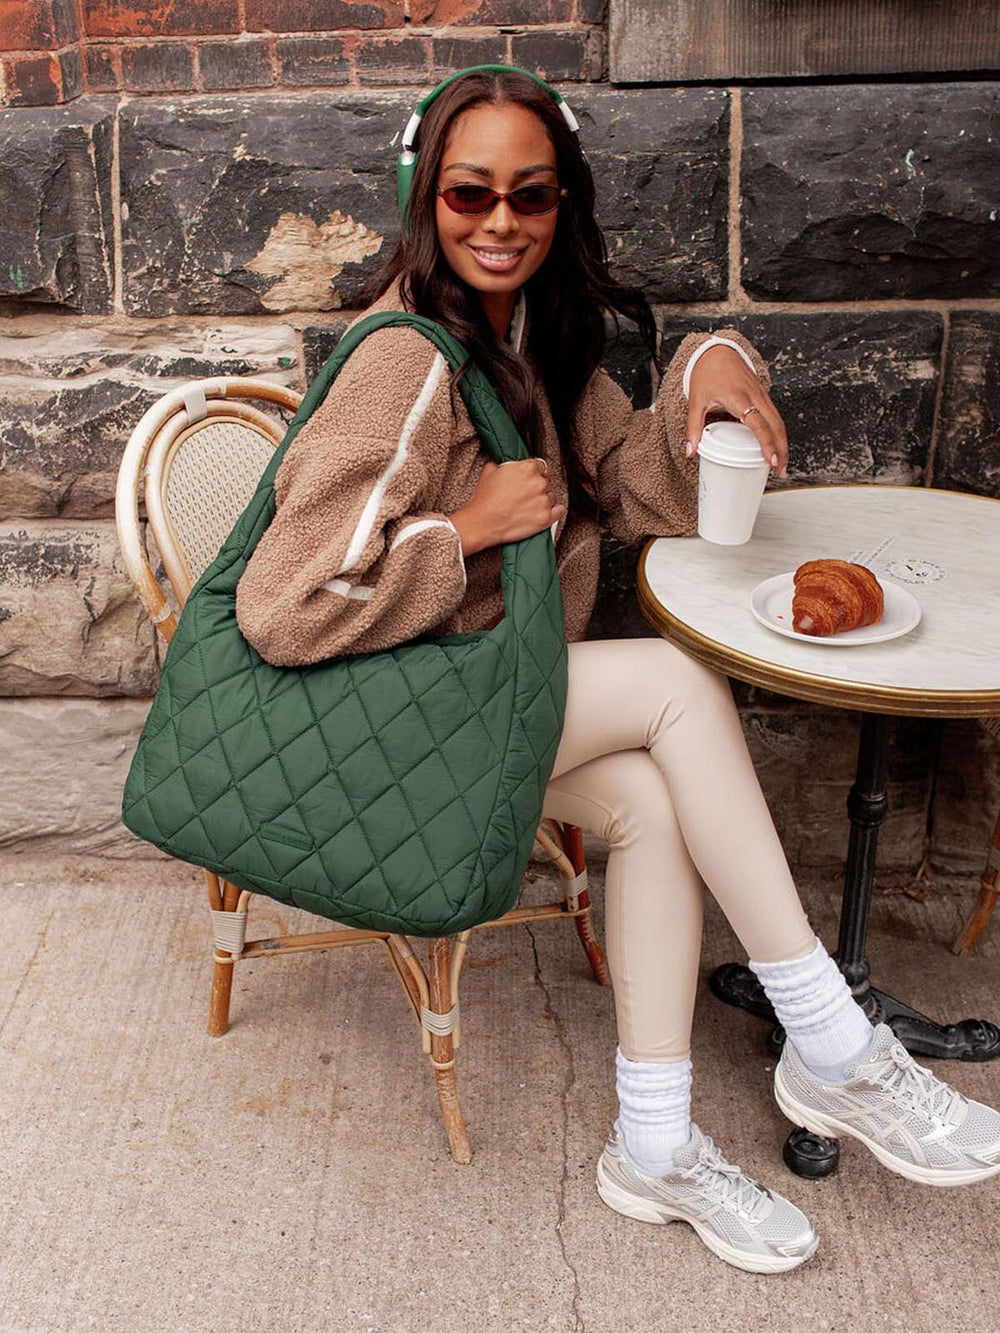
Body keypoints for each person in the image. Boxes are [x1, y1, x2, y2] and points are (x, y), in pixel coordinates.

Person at [235, 66, 1000, 1273]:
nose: (499, 222)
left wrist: (711, 366)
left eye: (530, 196)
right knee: (673, 685)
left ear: (564, 202)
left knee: (645, 806)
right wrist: (466, 533)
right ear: (421, 199)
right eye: (467, 193)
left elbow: (649, 485)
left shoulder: (529, 349)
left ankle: (652, 1142)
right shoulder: (408, 364)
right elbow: (284, 609)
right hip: (376, 730)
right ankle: (832, 1038)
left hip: (465, 711)